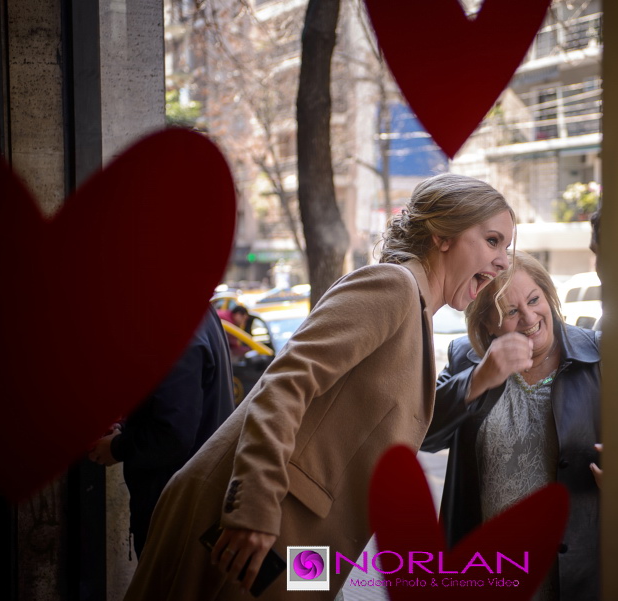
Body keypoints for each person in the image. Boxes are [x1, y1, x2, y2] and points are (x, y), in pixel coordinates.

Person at [121, 173, 515, 600]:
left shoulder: (418, 313)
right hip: (247, 526)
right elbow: (285, 383)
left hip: (297, 547)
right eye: (493, 241)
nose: (504, 261)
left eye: (506, 247)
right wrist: (252, 507)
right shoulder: (393, 286)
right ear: (442, 236)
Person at [423, 251, 602, 601]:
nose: (529, 317)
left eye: (534, 300)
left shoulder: (597, 356)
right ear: (487, 324)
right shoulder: (465, 357)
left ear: (548, 295)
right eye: (510, 311)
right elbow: (424, 434)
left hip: (572, 574)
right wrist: (479, 378)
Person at [89, 304, 236, 558]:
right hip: (194, 503)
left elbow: (173, 434)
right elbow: (170, 408)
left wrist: (116, 448)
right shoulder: (197, 310)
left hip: (177, 513)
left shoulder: (176, 326)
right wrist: (124, 429)